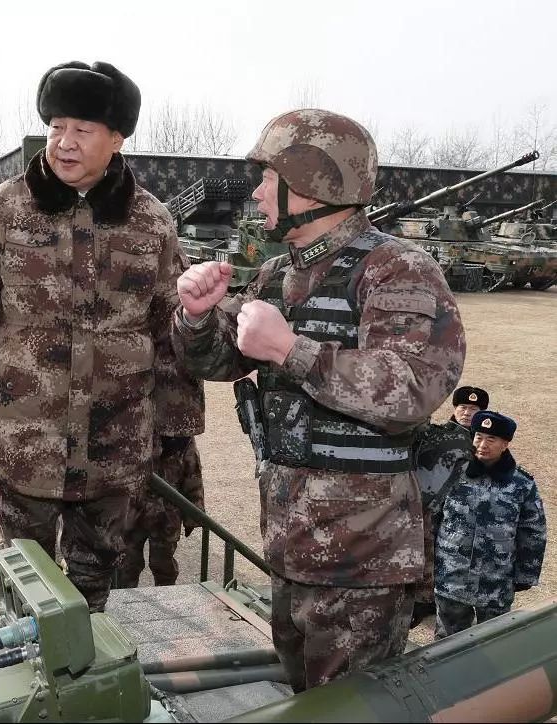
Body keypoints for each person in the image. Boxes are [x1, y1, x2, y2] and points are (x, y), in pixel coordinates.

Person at [171, 109, 466, 690]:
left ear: (312, 184)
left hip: (362, 560)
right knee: (302, 694)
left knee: (352, 707)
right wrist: (197, 317)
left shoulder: (397, 270)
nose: (257, 193)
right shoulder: (279, 274)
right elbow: (217, 361)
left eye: (268, 178)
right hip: (290, 542)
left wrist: (291, 350)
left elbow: (414, 386)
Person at [0, 60, 204, 612]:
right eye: (56, 127)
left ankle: (89, 661)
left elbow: (168, 325)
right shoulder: (6, 208)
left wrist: (177, 423)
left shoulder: (151, 221)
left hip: (114, 443)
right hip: (25, 438)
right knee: (17, 582)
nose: (65, 142)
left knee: (97, 584)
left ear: (117, 139)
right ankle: (13, 659)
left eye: (82, 129)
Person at [434, 411, 547, 639]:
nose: (482, 445)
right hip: (452, 576)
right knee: (446, 646)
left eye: (491, 439)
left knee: (495, 642)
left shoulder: (521, 483)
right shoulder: (453, 473)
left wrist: (526, 575)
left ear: (505, 444)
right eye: (478, 437)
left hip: (495, 581)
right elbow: (431, 518)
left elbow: (533, 530)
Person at [409, 383, 488, 625]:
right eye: (463, 407)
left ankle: (442, 600)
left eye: (474, 409)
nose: (467, 412)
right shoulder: (437, 434)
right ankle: (422, 601)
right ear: (454, 408)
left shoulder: (484, 443)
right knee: (424, 551)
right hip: (429, 504)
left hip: (460, 510)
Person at [118, 435, 203, 587]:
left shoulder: (179, 433)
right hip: (132, 510)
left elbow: (192, 471)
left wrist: (193, 515)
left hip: (166, 513)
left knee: (164, 566)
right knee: (126, 565)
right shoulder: (129, 426)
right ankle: (123, 598)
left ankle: (166, 596)